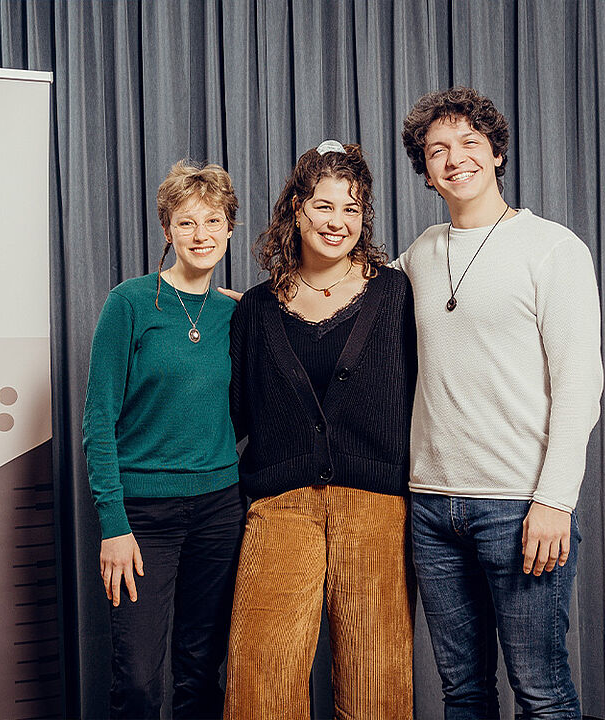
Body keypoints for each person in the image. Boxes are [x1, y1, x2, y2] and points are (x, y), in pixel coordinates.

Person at [398, 87, 603, 719]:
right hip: (429, 506)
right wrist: (250, 304)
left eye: (468, 143)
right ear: (426, 173)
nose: (454, 159)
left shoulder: (552, 247)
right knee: (463, 692)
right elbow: (342, 292)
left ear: (496, 153)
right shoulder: (420, 255)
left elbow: (580, 382)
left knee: (541, 692)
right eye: (437, 150)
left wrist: (554, 502)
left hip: (518, 505)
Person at [223, 141, 417, 719]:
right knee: (259, 678)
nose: (338, 222)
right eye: (325, 206)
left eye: (352, 209)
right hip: (280, 506)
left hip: (377, 507)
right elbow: (231, 410)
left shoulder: (396, 293)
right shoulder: (255, 310)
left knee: (376, 682)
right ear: (297, 211)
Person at [82, 161, 245, 719]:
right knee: (138, 679)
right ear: (167, 230)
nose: (201, 235)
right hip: (142, 516)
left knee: (202, 671)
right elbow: (98, 420)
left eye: (214, 221)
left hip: (220, 512)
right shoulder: (128, 304)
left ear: (230, 229)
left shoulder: (239, 313)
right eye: (187, 222)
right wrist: (114, 525)